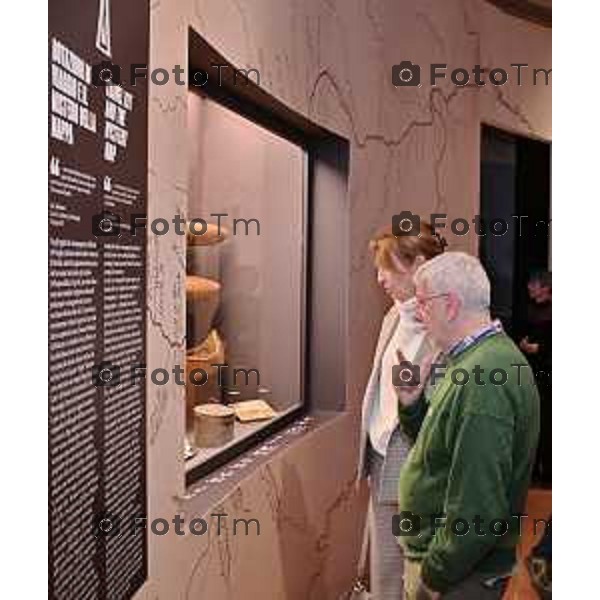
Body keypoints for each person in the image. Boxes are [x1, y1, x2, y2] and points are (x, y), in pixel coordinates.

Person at [394, 252, 540, 600]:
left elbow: (478, 510)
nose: (419, 313)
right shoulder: (477, 359)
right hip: (459, 567)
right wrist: (413, 406)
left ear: (451, 305)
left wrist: (433, 577)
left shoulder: (485, 378)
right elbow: (441, 451)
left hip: (460, 576)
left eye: (423, 303)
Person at [356, 222, 444, 600]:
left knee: (414, 575)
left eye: (387, 268)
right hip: (380, 456)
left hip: (416, 464)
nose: (379, 278)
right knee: (383, 569)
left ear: (419, 264)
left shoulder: (447, 326)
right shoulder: (392, 317)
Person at [518, 271, 552, 486]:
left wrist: (537, 349)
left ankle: (548, 472)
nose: (530, 290)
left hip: (549, 373)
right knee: (535, 422)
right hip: (533, 373)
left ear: (545, 287)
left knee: (548, 423)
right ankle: (536, 470)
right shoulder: (531, 310)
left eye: (533, 286)